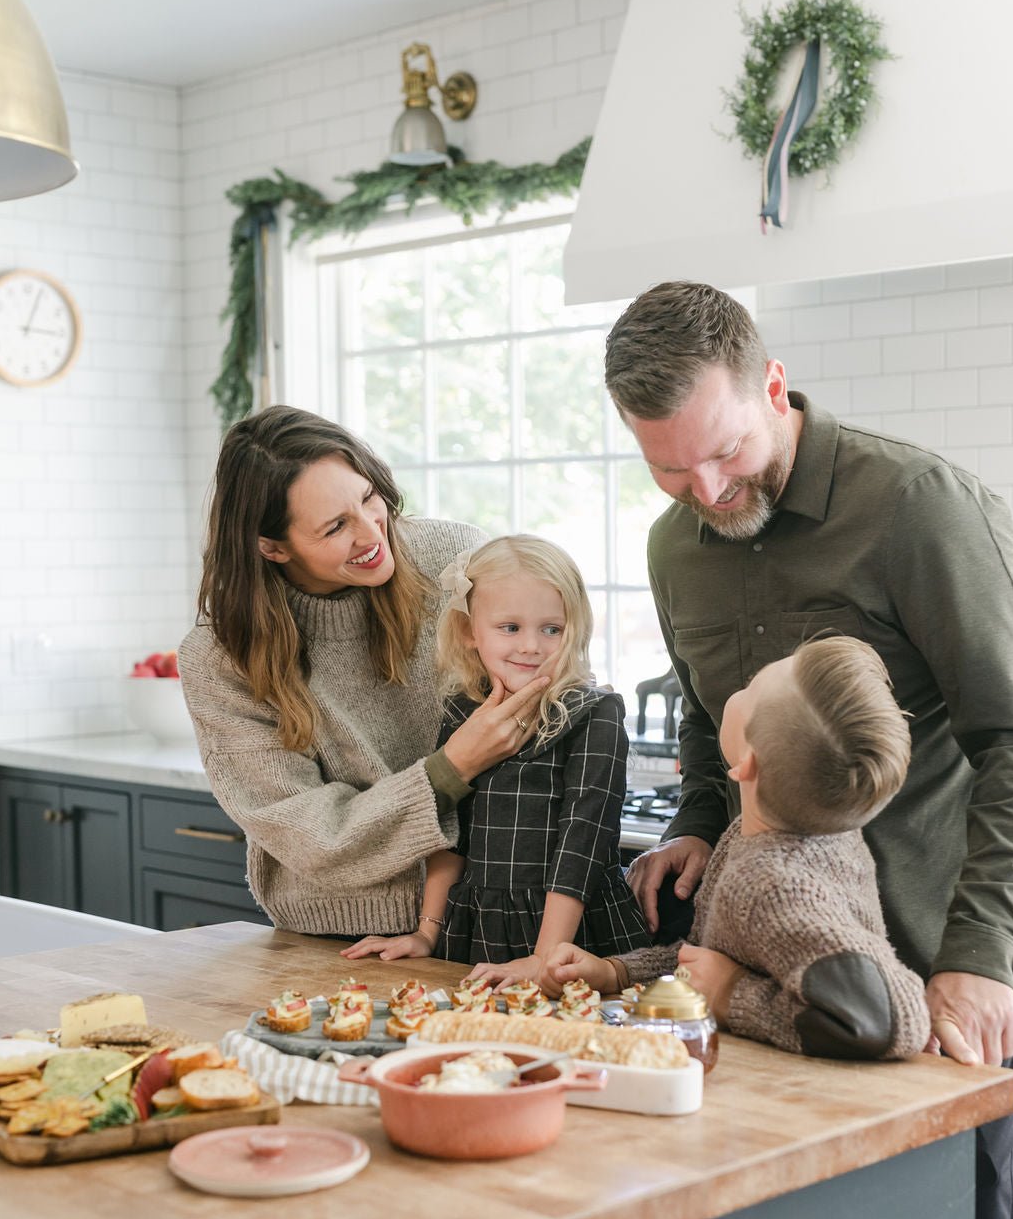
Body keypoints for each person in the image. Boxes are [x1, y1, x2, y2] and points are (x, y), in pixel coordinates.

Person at [603, 281, 1013, 1219]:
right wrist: (696, 814)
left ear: (772, 389)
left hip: (939, 985)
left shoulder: (919, 507)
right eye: (669, 471)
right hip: (771, 1000)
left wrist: (983, 958)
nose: (705, 494)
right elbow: (703, 711)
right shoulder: (675, 546)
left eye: (725, 454)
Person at [178, 406, 548, 941]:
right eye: (335, 527)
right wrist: (452, 767)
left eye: (369, 497)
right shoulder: (221, 659)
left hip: (490, 920)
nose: (372, 530)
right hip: (339, 939)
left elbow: (544, 689)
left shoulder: (453, 561)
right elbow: (314, 836)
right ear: (272, 547)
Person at [551, 636, 931, 1060]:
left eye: (750, 688)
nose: (741, 687)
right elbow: (713, 958)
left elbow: (888, 1021)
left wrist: (732, 994)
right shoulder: (769, 839)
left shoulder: (775, 885)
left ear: (745, 762)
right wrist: (615, 971)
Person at [344, 535, 650, 983]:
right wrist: (427, 934)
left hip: (571, 934)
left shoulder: (595, 713)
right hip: (477, 927)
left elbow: (582, 844)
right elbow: (450, 834)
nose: (531, 646)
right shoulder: (463, 711)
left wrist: (546, 958)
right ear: (469, 631)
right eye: (510, 628)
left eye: (552, 629)